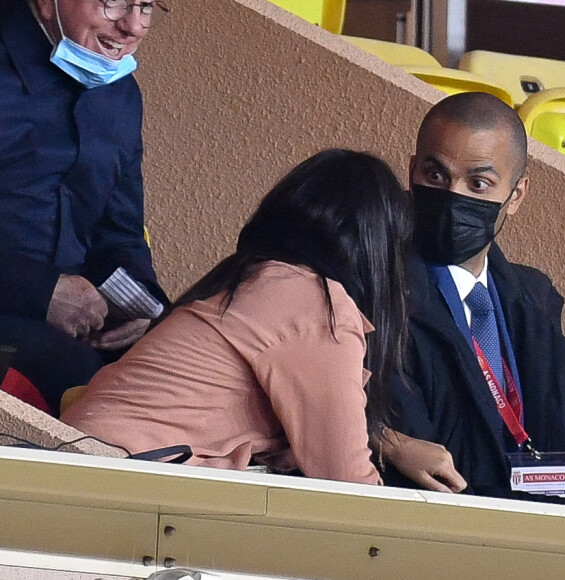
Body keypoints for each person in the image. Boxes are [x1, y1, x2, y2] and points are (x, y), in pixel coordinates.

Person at [62, 148, 413, 484]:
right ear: (375, 248)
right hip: (121, 476)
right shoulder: (315, 302)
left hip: (83, 460)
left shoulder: (251, 279)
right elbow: (347, 483)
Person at [377, 92, 565, 498]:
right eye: (435, 176)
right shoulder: (379, 291)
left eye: (479, 183)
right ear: (413, 170)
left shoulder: (534, 300)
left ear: (516, 195)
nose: (454, 195)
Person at [0, 0, 169, 414]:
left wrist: (138, 305)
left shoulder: (120, 95)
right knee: (73, 376)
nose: (132, 26)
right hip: (21, 314)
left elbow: (119, 231)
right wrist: (40, 293)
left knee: (177, 362)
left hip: (67, 323)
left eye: (146, 7)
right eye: (114, 3)